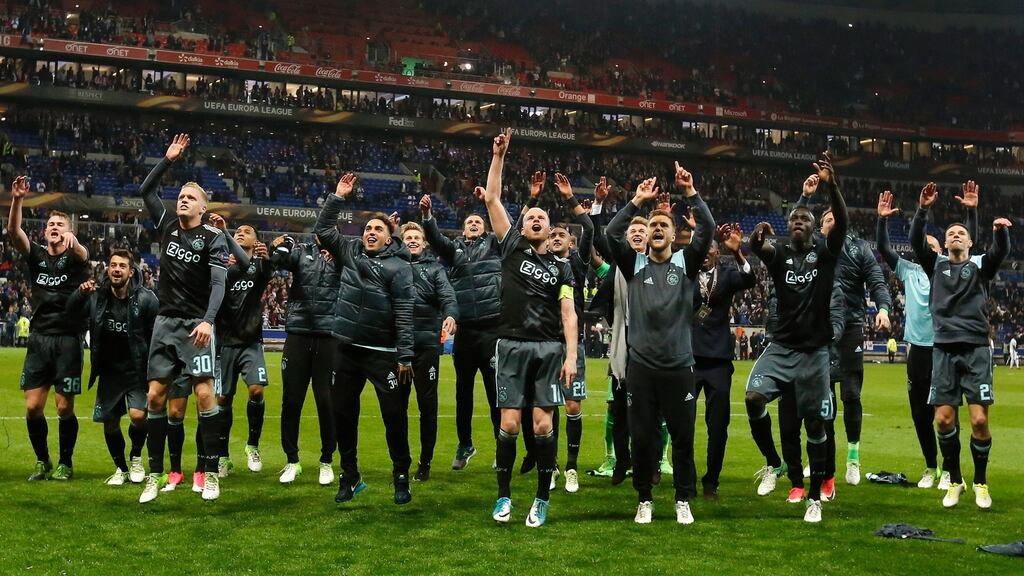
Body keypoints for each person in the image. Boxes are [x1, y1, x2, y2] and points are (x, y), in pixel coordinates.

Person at [605, 162, 714, 525]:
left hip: (679, 368)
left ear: (673, 234)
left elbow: (708, 228)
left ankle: (682, 499)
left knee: (683, 438)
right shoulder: (633, 264)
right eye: (652, 225)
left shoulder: (686, 263)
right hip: (642, 369)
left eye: (663, 225)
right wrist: (637, 201)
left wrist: (690, 192)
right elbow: (611, 232)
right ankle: (644, 500)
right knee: (642, 439)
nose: (656, 229)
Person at [745, 152, 847, 523]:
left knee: (816, 426)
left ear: (815, 228)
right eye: (794, 219)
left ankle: (815, 498)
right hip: (782, 347)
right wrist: (755, 241)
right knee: (753, 398)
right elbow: (759, 249)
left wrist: (832, 187)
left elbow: (842, 222)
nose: (799, 222)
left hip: (814, 353)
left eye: (805, 219)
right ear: (788, 227)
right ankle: (774, 463)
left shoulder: (826, 253)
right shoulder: (780, 254)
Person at [483, 129, 578, 528]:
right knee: (509, 424)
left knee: (542, 425)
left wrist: (571, 356)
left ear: (551, 229)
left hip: (548, 350)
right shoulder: (512, 247)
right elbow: (492, 198)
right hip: (511, 346)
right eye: (531, 218)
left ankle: (541, 499)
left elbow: (569, 314)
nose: (536, 219)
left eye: (542, 218)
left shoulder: (562, 268)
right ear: (522, 228)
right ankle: (504, 496)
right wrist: (499, 157)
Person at [137, 134, 230, 504]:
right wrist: (168, 160)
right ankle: (156, 474)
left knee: (205, 393)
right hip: (165, 322)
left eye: (190, 197)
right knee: (155, 396)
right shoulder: (167, 226)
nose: (183, 199)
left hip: (195, 325)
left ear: (203, 208)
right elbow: (146, 190)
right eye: (180, 195)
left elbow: (219, 283)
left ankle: (210, 473)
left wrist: (208, 320)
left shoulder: (213, 237)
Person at [314, 172, 415, 506]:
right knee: (343, 415)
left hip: (382, 353)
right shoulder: (349, 251)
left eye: (378, 230)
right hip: (346, 350)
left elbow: (405, 311)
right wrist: (337, 197)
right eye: (368, 228)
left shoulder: (399, 267)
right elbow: (323, 230)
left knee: (394, 417)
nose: (371, 232)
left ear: (388, 239)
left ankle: (401, 475)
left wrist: (405, 356)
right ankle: (350, 475)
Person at [910, 181, 1011, 510]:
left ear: (970, 241)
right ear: (944, 244)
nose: (955, 235)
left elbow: (998, 253)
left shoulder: (979, 268)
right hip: (943, 350)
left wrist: (998, 232)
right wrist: (922, 210)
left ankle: (980, 481)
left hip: (976, 350)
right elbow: (916, 241)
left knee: (979, 420)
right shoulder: (936, 265)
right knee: (943, 420)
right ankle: (955, 480)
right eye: (950, 233)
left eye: (961, 233)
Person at [876, 187, 975, 489]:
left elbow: (969, 246)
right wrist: (882, 220)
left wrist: (970, 213)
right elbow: (883, 248)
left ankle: (951, 471)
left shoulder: (948, 269)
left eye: (933, 246)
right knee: (920, 414)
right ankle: (931, 467)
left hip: (943, 349)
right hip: (917, 351)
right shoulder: (908, 270)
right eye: (925, 246)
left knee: (946, 412)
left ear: (940, 251)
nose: (928, 250)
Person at [798, 175, 892, 488]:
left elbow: (877, 280)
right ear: (819, 226)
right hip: (818, 328)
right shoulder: (813, 248)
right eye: (825, 219)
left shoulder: (860, 249)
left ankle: (853, 456)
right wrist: (805, 197)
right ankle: (820, 458)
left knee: (851, 393)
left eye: (834, 217)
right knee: (821, 398)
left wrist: (883, 308)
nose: (830, 221)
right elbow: (795, 228)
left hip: (850, 326)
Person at [8, 176, 91, 481]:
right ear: (44, 232)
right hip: (39, 339)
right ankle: (42, 460)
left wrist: (75, 242)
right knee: (33, 407)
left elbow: (84, 255)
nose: (55, 227)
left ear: (69, 231)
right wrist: (18, 199)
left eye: (61, 224)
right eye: (51, 224)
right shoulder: (37, 257)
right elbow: (14, 232)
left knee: (64, 407)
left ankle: (65, 462)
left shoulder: (76, 258)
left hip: (68, 341)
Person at [421, 191, 503, 471]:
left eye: (478, 221)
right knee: (462, 392)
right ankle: (465, 443)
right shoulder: (453, 250)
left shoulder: (495, 243)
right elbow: (435, 238)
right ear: (463, 230)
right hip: (465, 330)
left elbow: (509, 227)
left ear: (486, 227)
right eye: (469, 222)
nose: (474, 224)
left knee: (495, 392)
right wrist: (427, 216)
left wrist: (494, 204)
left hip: (492, 328)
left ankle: (501, 444)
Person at [67, 250, 157, 486]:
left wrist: (155, 369)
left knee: (139, 416)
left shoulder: (146, 299)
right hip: (109, 370)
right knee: (110, 422)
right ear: (108, 269)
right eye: (113, 265)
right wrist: (79, 293)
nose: (116, 269)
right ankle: (121, 468)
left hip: (137, 369)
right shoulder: (97, 296)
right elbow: (70, 312)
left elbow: (155, 335)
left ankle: (136, 457)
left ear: (131, 272)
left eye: (122, 266)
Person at [536, 171, 594, 494]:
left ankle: (571, 466)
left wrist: (570, 197)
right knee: (549, 407)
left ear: (571, 242)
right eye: (553, 234)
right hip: (546, 344)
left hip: (573, 345)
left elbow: (590, 228)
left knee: (572, 406)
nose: (556, 237)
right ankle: (553, 467)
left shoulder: (578, 265)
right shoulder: (540, 265)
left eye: (562, 234)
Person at [690, 223, 756, 501]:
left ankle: (711, 482)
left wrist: (738, 253)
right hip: (689, 357)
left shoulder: (727, 273)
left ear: (717, 252)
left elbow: (750, 279)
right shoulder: (685, 272)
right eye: (701, 247)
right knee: (682, 423)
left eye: (710, 248)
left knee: (718, 426)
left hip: (718, 360)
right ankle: (686, 480)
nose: (705, 252)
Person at [270, 234, 338, 485]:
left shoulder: (343, 253)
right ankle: (292, 460)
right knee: (291, 400)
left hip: (329, 335)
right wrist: (280, 245)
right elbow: (278, 262)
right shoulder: (301, 251)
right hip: (298, 333)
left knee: (327, 402)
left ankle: (326, 460)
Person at [209, 218, 274, 477]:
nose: (241, 233)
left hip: (250, 341)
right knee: (223, 398)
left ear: (256, 240)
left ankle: (252, 446)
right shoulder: (221, 265)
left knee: (256, 390)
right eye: (238, 231)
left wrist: (267, 258)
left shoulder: (258, 266)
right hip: (225, 343)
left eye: (247, 231)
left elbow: (267, 273)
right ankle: (223, 457)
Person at [398, 220, 458, 482]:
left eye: (417, 238)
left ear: (424, 243)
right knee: (396, 408)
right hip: (399, 347)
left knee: (428, 407)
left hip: (426, 347)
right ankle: (401, 462)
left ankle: (425, 462)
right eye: (408, 237)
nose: (412, 241)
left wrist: (451, 314)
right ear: (401, 243)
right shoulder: (393, 267)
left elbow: (448, 296)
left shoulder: (435, 269)